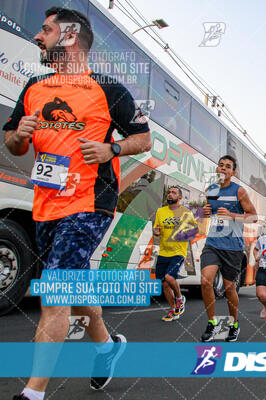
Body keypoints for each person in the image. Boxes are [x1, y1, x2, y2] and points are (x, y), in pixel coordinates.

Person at [3, 7, 152, 399]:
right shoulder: (34, 87)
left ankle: (33, 392)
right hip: (46, 204)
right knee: (75, 287)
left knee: (56, 293)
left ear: (69, 37)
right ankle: (107, 348)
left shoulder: (109, 89)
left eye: (46, 30)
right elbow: (13, 144)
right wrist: (19, 134)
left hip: (89, 203)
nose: (39, 36)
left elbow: (144, 139)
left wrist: (111, 148)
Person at [200, 155, 258, 342]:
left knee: (229, 288)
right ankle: (213, 323)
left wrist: (232, 215)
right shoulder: (211, 190)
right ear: (217, 169)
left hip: (232, 246)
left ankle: (233, 324)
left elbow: (253, 217)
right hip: (213, 243)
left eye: (228, 167)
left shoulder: (239, 191)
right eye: (221, 165)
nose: (223, 169)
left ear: (233, 172)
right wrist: (205, 212)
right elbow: (208, 212)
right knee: (206, 281)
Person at [153, 186, 198, 321]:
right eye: (169, 192)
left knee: (169, 277)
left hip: (178, 252)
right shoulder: (160, 211)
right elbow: (157, 228)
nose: (170, 194)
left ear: (179, 198)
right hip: (163, 251)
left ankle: (179, 298)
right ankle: (173, 310)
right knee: (164, 284)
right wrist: (156, 231)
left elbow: (194, 231)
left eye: (173, 193)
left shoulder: (186, 212)